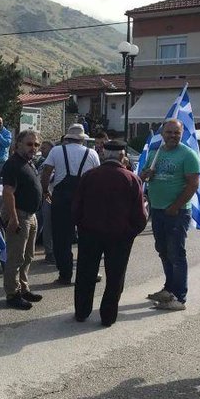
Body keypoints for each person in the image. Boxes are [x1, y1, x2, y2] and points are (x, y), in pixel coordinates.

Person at [72, 140, 148, 326]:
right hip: (120, 236)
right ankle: (108, 316)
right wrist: (131, 232)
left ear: (104, 155)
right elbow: (140, 213)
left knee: (85, 274)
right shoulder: (131, 178)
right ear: (123, 157)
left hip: (90, 233)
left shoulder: (89, 176)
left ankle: (82, 312)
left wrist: (80, 226)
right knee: (115, 276)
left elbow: (76, 207)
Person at [140, 119, 200, 311]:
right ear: (163, 134)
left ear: (182, 133)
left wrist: (175, 206)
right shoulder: (154, 153)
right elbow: (143, 177)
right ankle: (168, 289)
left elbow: (193, 185)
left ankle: (179, 298)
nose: (173, 136)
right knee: (163, 251)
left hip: (177, 212)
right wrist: (145, 174)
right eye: (169, 132)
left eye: (176, 132)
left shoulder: (188, 155)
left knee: (176, 254)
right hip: (157, 210)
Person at [40, 124, 100, 285]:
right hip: (85, 199)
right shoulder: (92, 153)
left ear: (66, 138)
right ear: (82, 139)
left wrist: (45, 191)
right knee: (87, 237)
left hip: (61, 198)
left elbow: (46, 172)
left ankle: (65, 275)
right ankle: (89, 273)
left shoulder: (56, 151)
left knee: (61, 239)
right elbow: (97, 177)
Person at [1, 130, 44, 310]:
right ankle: (12, 293)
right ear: (18, 144)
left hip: (31, 215)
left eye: (36, 145)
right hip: (19, 215)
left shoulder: (28, 163)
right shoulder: (13, 164)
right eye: (29, 144)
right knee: (16, 257)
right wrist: (13, 218)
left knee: (28, 256)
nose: (33, 148)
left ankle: (23, 288)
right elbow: (8, 192)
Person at [36, 140, 55, 263]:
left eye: (44, 148)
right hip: (41, 196)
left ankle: (50, 251)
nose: (41, 150)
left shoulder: (54, 162)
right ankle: (49, 251)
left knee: (47, 224)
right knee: (41, 224)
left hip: (50, 196)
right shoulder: (40, 162)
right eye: (41, 148)